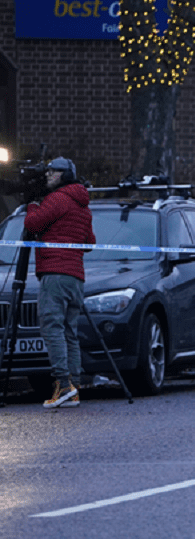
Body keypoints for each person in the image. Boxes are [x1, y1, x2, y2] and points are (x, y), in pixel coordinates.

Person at [24, 157, 95, 409]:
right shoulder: (82, 205)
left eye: (53, 172)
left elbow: (33, 224)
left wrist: (32, 205)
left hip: (54, 272)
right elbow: (90, 242)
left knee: (52, 327)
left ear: (65, 175)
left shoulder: (57, 199)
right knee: (69, 332)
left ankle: (63, 384)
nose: (48, 176)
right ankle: (72, 388)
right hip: (75, 276)